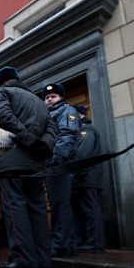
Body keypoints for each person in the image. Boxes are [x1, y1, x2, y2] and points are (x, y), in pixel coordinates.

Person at [0, 66, 57, 268]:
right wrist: (43, 145)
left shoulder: (2, 92)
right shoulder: (39, 100)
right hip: (36, 161)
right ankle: (43, 259)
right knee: (37, 208)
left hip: (12, 160)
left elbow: (4, 116)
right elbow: (52, 128)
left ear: (1, 82)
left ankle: (23, 258)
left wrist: (27, 139)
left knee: (14, 208)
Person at [42, 82, 81, 258]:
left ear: (61, 97)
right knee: (60, 204)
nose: (49, 100)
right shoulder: (47, 115)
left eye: (53, 96)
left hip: (59, 165)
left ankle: (60, 244)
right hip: (51, 164)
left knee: (60, 205)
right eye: (47, 97)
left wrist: (56, 161)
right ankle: (68, 244)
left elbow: (67, 136)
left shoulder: (67, 111)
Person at [71, 105, 106, 253]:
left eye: (74, 115)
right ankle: (82, 240)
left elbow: (83, 154)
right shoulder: (77, 131)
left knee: (90, 209)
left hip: (87, 178)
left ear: (82, 115)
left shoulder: (86, 130)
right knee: (79, 211)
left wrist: (75, 174)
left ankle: (95, 243)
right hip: (80, 178)